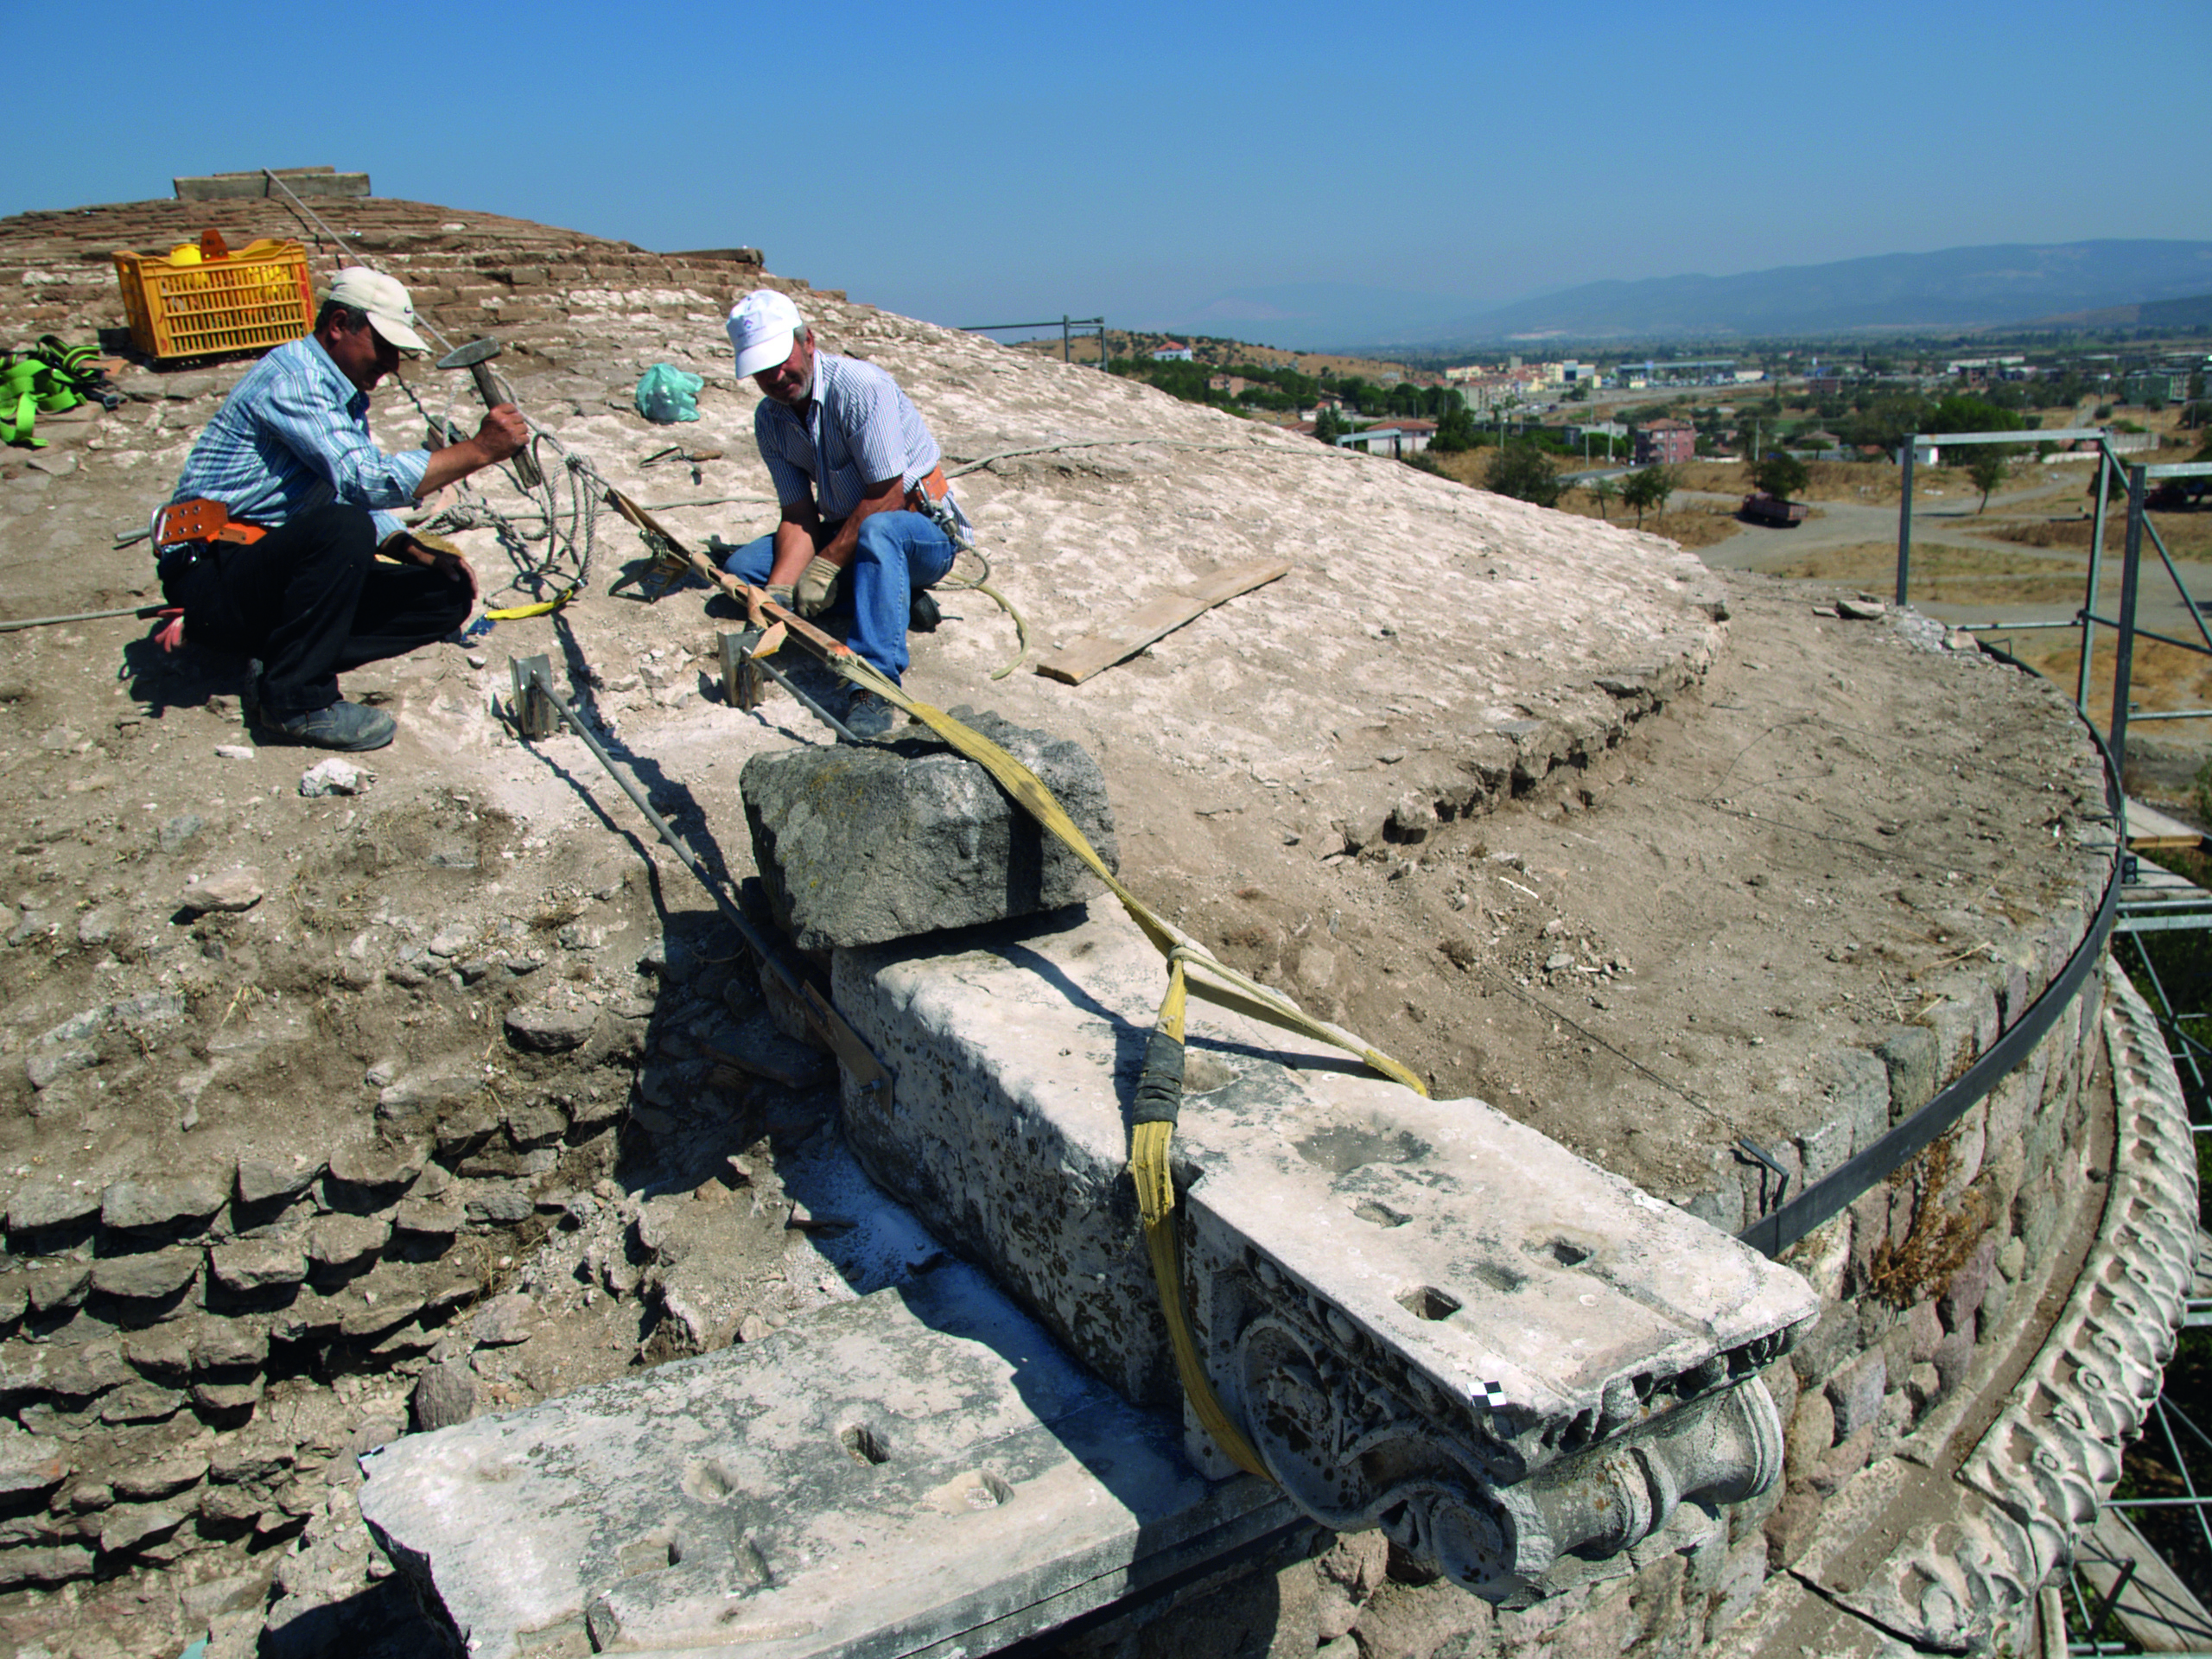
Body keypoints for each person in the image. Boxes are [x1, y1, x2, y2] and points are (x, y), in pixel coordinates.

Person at [159, 268, 528, 751]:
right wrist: (479, 450)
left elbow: (340, 488)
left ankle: (276, 650)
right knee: (343, 528)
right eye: (384, 346)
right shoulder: (295, 380)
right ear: (338, 325)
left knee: (446, 594)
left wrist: (408, 547)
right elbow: (362, 481)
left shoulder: (341, 393)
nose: (392, 364)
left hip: (269, 568)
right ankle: (294, 702)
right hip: (214, 565)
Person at [720, 289, 966, 739]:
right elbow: (797, 513)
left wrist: (827, 564)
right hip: (850, 528)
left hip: (917, 530)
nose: (775, 376)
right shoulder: (770, 419)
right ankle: (887, 594)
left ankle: (872, 684)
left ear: (808, 341)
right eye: (760, 369)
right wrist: (779, 592)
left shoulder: (859, 388)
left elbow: (890, 493)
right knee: (743, 568)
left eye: (781, 359)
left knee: (878, 533)